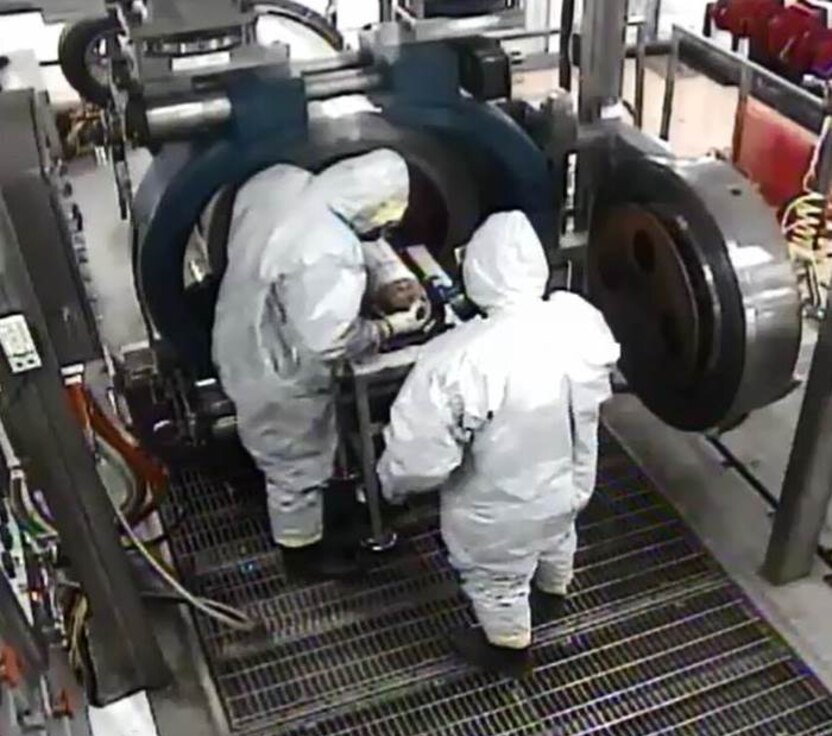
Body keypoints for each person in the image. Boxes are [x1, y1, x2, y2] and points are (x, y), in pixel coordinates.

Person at [377, 211, 619, 677]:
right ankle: (553, 591)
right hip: (571, 480)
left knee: (497, 578)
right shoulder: (576, 319)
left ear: (477, 271)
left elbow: (420, 459)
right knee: (556, 534)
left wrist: (388, 486)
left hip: (502, 507)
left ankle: (508, 649)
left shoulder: (456, 359)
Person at [213, 149, 429, 581]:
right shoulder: (329, 254)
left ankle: (312, 509)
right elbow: (331, 343)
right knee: (295, 462)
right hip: (277, 369)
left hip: (240, 324)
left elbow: (351, 228)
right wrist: (389, 327)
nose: (383, 232)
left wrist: (391, 277)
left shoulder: (285, 180)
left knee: (286, 451)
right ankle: (304, 556)